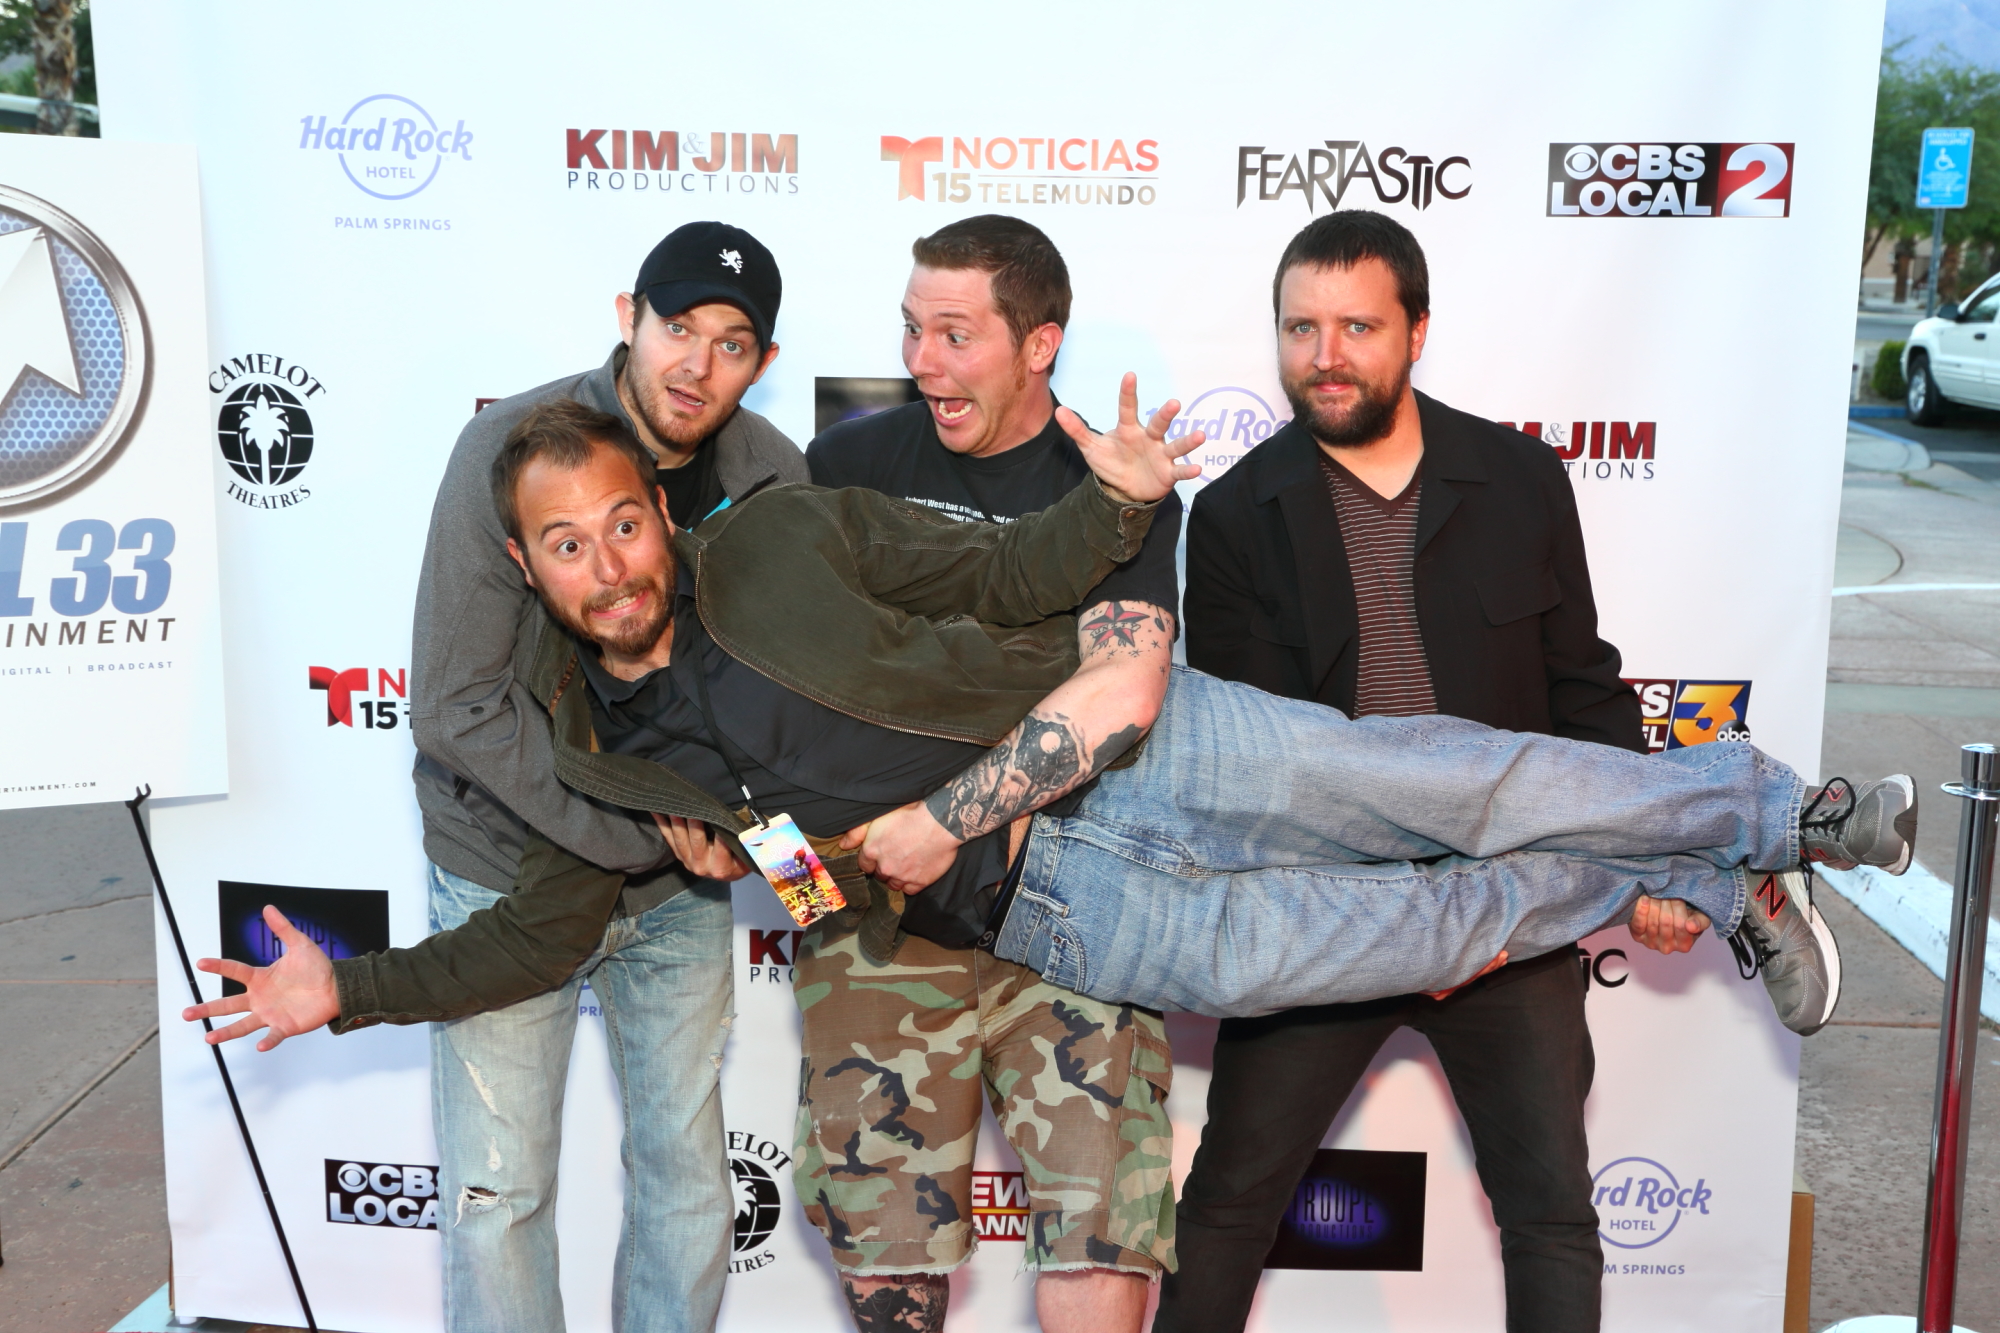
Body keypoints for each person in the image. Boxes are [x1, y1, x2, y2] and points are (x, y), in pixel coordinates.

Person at [193, 391, 1906, 1054]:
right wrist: (350, 987)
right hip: (1074, 908)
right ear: (531, 568)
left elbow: (1012, 574)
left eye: (623, 521)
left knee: (1468, 781)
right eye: (566, 548)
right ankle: (1697, 857)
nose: (609, 562)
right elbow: (550, 917)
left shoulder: (782, 529)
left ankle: (1786, 816)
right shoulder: (609, 762)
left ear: (658, 502)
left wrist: (1122, 508)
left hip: (1156, 744)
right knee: (1429, 926)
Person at [1156, 209, 1681, 1333]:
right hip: (1325, 916)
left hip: (1507, 910)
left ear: (1415, 332)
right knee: (1222, 1209)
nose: (1324, 354)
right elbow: (1259, 765)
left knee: (1550, 1213)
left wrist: (1654, 855)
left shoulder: (1519, 478)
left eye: (1355, 325)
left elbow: (1580, 688)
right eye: (1299, 327)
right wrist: (1404, 920)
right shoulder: (1238, 513)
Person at [406, 221, 805, 1333]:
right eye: (679, 329)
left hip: (680, 887)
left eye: (732, 343)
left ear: (764, 361)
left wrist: (776, 854)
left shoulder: (773, 477)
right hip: (510, 868)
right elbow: (454, 703)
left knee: (688, 1177)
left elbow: (784, 704)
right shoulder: (506, 451)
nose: (697, 365)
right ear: (627, 316)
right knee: (499, 1191)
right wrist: (637, 825)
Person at [793, 215, 1181, 1332]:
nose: (922, 361)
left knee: (1103, 1226)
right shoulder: (847, 464)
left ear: (1038, 343)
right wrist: (815, 899)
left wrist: (941, 822)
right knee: (883, 1256)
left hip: (1068, 916)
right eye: (912, 329)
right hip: (877, 935)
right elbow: (761, 718)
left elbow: (1124, 691)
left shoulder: (1114, 481)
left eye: (954, 334)